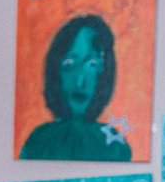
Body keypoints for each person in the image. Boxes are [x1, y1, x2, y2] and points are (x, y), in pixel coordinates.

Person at [19, 14, 133, 161]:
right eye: (69, 64)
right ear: (55, 71)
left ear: (104, 72)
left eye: (91, 64)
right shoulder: (39, 142)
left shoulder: (115, 147)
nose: (80, 81)